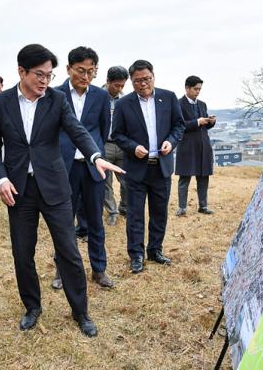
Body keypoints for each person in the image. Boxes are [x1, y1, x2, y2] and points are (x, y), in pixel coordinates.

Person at [0, 44, 123, 337]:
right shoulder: (0, 104)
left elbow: (77, 131)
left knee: (69, 250)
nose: (45, 80)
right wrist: (0, 179)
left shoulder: (57, 100)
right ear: (21, 71)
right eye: (39, 74)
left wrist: (96, 156)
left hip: (55, 186)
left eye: (49, 74)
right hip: (18, 189)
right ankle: (32, 307)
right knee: (23, 252)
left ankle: (80, 311)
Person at [111, 59, 184, 274]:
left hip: (161, 166)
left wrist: (171, 141)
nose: (143, 84)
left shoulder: (168, 98)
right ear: (130, 82)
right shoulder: (124, 104)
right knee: (135, 214)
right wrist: (133, 147)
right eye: (137, 81)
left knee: (159, 212)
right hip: (136, 168)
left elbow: (178, 125)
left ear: (153, 77)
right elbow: (117, 135)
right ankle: (136, 255)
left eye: (146, 79)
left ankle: (155, 250)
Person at [53, 46, 113, 290]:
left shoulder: (100, 97)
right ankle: (62, 270)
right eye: (80, 71)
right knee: (63, 222)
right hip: (64, 168)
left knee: (95, 222)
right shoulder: (54, 95)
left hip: (93, 168)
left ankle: (99, 269)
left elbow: (103, 129)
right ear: (68, 69)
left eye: (91, 71)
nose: (85, 77)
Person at [175, 75, 216, 216]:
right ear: (187, 88)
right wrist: (198, 122)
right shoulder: (178, 104)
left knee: (203, 176)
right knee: (184, 177)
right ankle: (182, 208)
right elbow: (179, 125)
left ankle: (203, 206)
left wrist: (210, 122)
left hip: (203, 145)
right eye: (195, 89)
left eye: (199, 89)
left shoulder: (202, 104)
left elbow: (204, 127)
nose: (198, 91)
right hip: (187, 146)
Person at [102, 66, 129, 226]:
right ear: (108, 82)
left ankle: (124, 207)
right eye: (116, 85)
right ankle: (112, 211)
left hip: (122, 145)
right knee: (106, 182)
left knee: (126, 180)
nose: (119, 89)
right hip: (104, 144)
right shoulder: (97, 97)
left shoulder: (125, 100)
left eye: (122, 86)